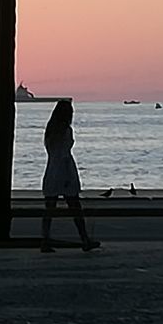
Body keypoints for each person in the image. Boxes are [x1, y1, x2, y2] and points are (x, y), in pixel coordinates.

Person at [40, 100, 101, 253]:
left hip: (52, 169)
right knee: (75, 207)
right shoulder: (66, 130)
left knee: (50, 208)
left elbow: (52, 151)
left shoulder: (50, 130)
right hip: (65, 169)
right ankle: (84, 239)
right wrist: (68, 176)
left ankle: (45, 240)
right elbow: (65, 154)